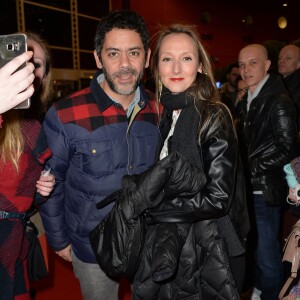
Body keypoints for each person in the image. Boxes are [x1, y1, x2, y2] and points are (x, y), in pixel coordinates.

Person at [94, 23, 250, 299]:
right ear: (157, 67)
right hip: (180, 246)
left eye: (186, 58)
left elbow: (217, 199)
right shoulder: (169, 114)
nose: (176, 69)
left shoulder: (213, 115)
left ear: (200, 65)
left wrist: (154, 210)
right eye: (167, 59)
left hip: (216, 248)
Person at [39, 10, 159, 300]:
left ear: (147, 56)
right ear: (98, 58)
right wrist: (59, 240)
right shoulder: (65, 114)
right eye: (113, 53)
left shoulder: (160, 109)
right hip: (91, 245)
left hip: (150, 240)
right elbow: (52, 183)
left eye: (133, 52)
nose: (125, 65)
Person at [238, 44, 298, 300]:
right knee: (257, 248)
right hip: (249, 185)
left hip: (264, 187)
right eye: (241, 64)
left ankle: (269, 294)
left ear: (266, 65)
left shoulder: (278, 100)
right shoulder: (249, 98)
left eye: (253, 63)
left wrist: (252, 166)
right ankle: (261, 292)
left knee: (266, 251)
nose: (246, 69)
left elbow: (288, 148)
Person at [0, 51, 55, 299]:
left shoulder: (34, 128)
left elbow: (33, 197)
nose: (27, 69)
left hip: (15, 242)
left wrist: (45, 187)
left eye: (36, 63)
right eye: (19, 61)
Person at [25, 31, 53, 122]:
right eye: (23, 62)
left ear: (44, 77)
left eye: (36, 65)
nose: (29, 69)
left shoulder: (52, 117)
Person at [278, 44, 300, 131]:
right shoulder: (281, 82)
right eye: (279, 58)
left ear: (299, 63)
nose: (281, 61)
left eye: (288, 58)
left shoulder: (296, 85)